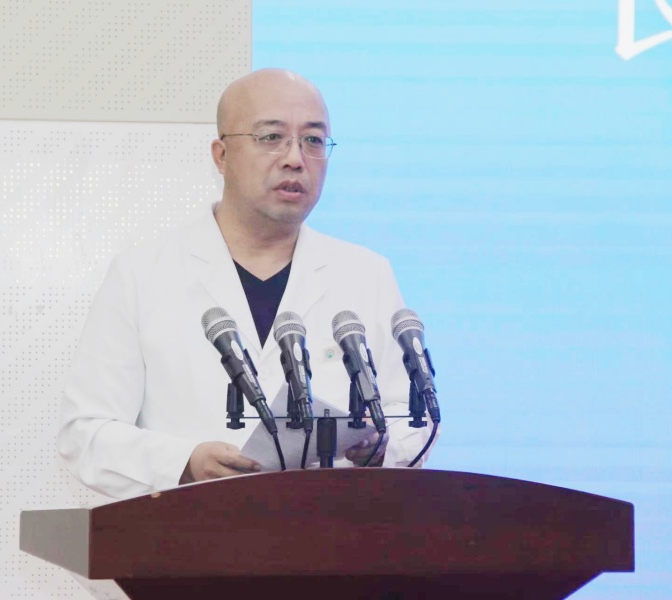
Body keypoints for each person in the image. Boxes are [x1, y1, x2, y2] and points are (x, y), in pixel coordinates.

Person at [58, 69, 434, 499]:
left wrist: (383, 446)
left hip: (332, 529)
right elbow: (84, 433)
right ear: (221, 155)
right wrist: (184, 462)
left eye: (313, 140)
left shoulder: (366, 274)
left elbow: (414, 415)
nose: (295, 158)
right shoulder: (142, 274)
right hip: (191, 530)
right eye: (271, 137)